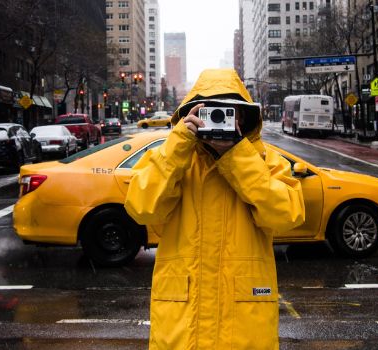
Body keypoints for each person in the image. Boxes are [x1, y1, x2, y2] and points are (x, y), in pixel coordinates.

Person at [124, 69, 305, 349]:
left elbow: (286, 217)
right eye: (210, 112)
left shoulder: (265, 161)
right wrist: (179, 143)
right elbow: (141, 208)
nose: (219, 120)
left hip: (245, 328)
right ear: (190, 115)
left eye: (229, 113)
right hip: (181, 328)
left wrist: (237, 157)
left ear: (243, 118)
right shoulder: (173, 157)